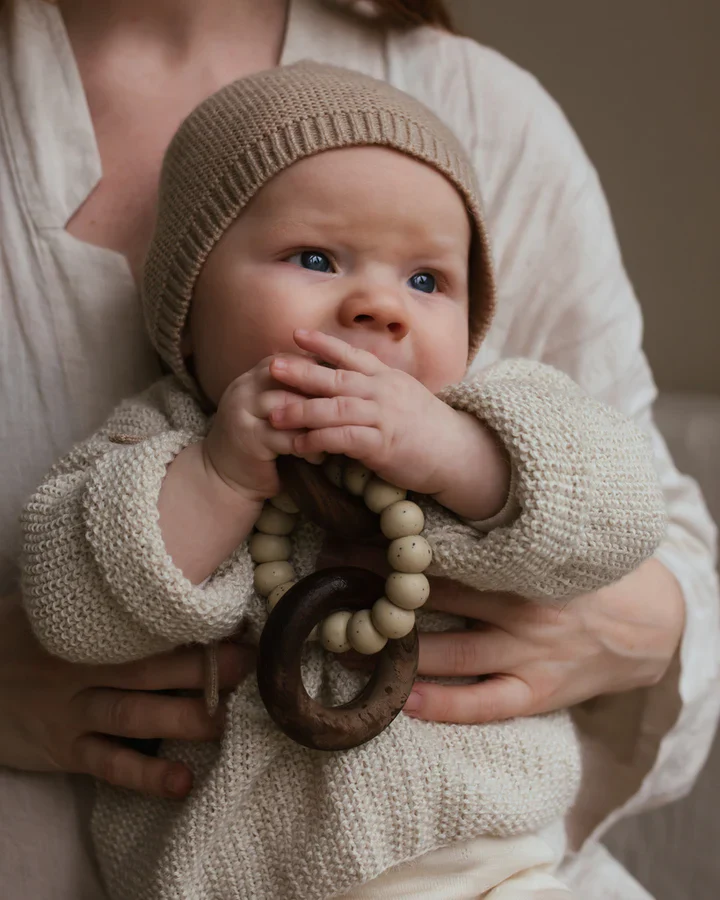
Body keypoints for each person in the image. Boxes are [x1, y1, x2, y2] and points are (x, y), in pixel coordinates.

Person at [0, 1, 716, 898]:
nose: (382, 305)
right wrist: (218, 476)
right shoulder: (162, 439)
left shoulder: (496, 415)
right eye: (315, 258)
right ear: (186, 312)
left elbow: (624, 514)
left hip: (491, 870)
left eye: (426, 280)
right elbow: (68, 601)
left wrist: (463, 456)